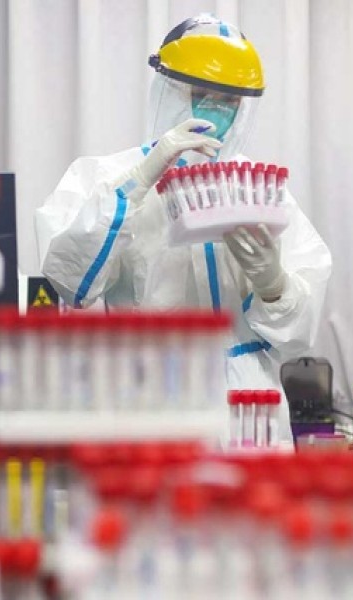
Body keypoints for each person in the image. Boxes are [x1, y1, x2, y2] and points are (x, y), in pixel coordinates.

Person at [34, 15, 332, 427]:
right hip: (147, 394)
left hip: (245, 401)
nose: (218, 110)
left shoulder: (258, 189)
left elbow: (299, 333)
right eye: (202, 93)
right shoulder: (104, 177)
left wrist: (274, 284)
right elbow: (69, 282)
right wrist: (139, 180)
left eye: (229, 100)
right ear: (169, 91)